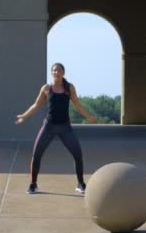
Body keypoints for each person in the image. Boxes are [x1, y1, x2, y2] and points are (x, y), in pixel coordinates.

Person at [16, 62, 97, 194]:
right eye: (54, 70)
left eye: (58, 70)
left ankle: (80, 184)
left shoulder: (69, 88)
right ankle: (33, 184)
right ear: (51, 72)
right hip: (48, 126)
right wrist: (24, 116)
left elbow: (77, 104)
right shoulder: (46, 88)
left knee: (78, 154)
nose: (56, 72)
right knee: (36, 154)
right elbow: (36, 105)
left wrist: (88, 117)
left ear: (63, 73)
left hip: (65, 127)